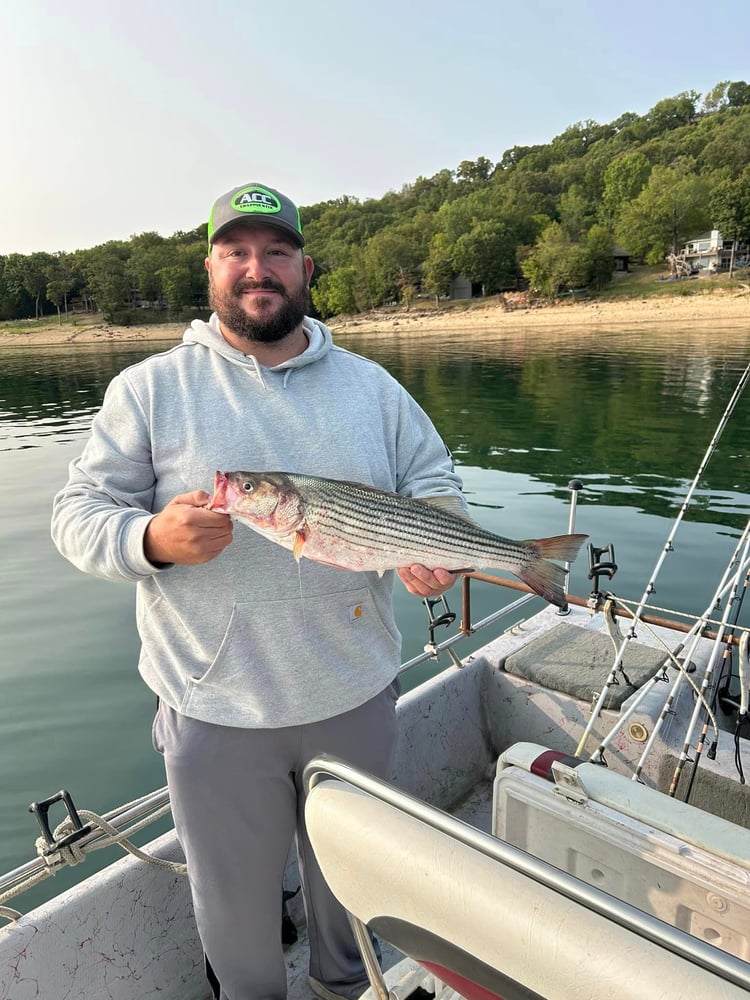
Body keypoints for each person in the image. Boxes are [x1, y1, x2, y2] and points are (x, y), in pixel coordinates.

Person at [51, 182, 467, 1000]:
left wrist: (438, 546)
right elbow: (77, 514)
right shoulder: (149, 388)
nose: (257, 269)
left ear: (304, 267)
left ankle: (345, 992)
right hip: (214, 711)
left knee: (355, 897)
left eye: (276, 252)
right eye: (236, 252)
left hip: (356, 694)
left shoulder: (374, 388)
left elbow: (434, 481)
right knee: (235, 923)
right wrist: (150, 540)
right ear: (209, 269)